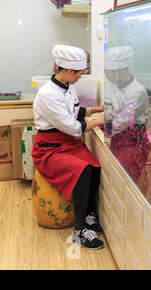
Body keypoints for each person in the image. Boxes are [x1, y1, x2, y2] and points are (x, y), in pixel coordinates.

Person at [32, 45, 105, 250]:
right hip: (49, 148)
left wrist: (98, 109)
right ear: (69, 71)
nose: (81, 77)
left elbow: (74, 111)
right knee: (82, 171)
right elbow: (73, 127)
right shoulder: (47, 94)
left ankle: (89, 215)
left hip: (67, 143)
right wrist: (102, 119)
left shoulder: (68, 86)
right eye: (81, 73)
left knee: (94, 167)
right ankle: (79, 230)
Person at [104, 46, 150, 182]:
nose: (106, 76)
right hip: (116, 139)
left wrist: (103, 124)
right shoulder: (112, 84)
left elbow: (121, 123)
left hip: (133, 143)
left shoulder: (137, 92)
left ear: (119, 71)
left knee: (126, 180)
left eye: (108, 72)